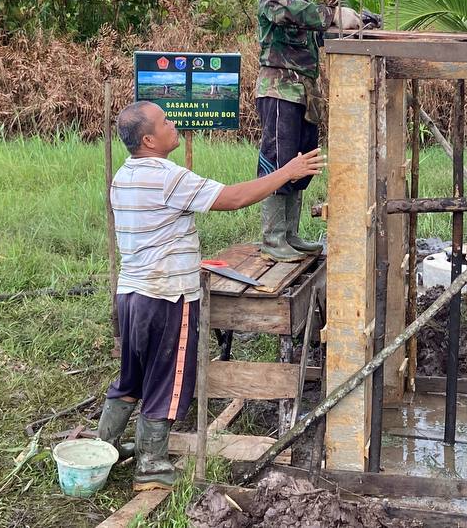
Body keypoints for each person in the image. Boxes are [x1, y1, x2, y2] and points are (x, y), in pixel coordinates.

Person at [95, 100, 325, 490]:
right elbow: (233, 199)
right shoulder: (167, 176)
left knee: (131, 377)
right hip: (167, 296)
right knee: (167, 380)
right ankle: (150, 465)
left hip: (130, 295)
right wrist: (287, 171)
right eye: (165, 121)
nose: (173, 125)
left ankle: (104, 448)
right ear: (149, 139)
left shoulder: (123, 176)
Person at [253, 0, 344, 262]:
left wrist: (348, 23)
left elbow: (311, 29)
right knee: (279, 160)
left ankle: (290, 233)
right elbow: (290, 13)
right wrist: (333, 14)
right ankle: (273, 236)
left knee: (301, 161)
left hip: (304, 92)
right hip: (280, 90)